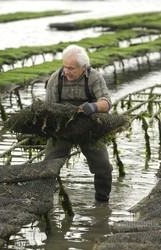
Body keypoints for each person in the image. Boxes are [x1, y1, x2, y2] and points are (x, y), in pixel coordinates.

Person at [44, 44, 113, 202]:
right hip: (63, 129)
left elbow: (107, 102)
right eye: (65, 66)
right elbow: (48, 108)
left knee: (103, 167)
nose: (66, 71)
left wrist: (93, 106)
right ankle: (45, 200)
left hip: (89, 128)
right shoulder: (56, 79)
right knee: (48, 166)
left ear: (83, 67)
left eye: (71, 68)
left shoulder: (94, 77)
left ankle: (102, 205)